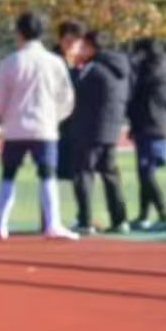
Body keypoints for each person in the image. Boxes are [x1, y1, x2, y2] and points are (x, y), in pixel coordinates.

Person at [0, 11, 78, 239]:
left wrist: (7, 116)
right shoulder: (54, 62)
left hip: (15, 128)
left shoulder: (11, 62)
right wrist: (54, 117)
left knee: (8, 174)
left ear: (19, 33)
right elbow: (66, 97)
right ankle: (53, 224)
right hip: (44, 128)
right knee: (48, 175)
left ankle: (1, 224)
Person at [65, 30, 131, 233]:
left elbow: (74, 88)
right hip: (111, 129)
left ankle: (85, 220)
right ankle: (120, 220)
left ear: (92, 48)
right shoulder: (120, 68)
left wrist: (73, 67)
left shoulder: (92, 68)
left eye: (83, 47)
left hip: (90, 129)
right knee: (110, 175)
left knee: (84, 173)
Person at [127, 37, 166, 232]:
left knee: (146, 173)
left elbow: (137, 97)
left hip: (149, 124)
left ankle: (164, 215)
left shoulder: (151, 71)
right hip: (157, 123)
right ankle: (143, 215)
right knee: (145, 172)